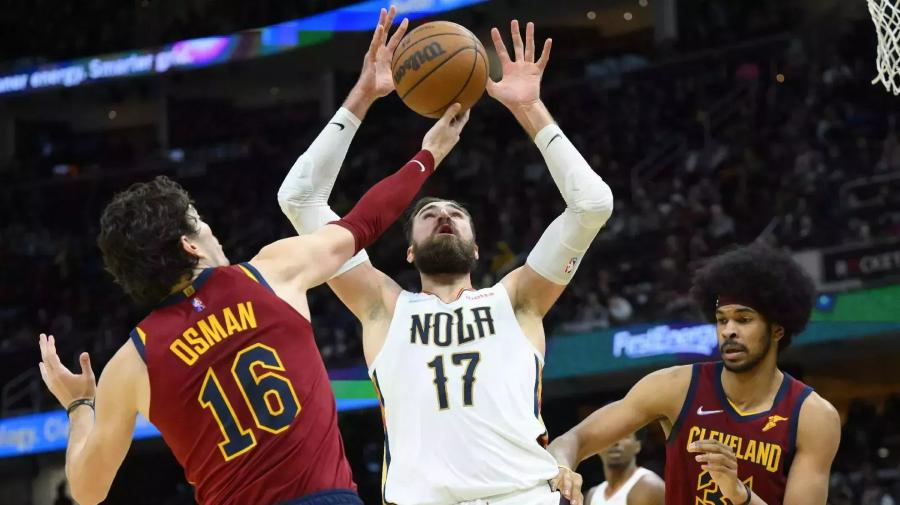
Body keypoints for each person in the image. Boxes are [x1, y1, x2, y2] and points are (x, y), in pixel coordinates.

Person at [36, 101, 469, 505]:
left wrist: (79, 406)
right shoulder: (269, 274)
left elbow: (87, 491)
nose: (212, 232)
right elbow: (365, 220)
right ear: (190, 246)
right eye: (200, 224)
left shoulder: (131, 364)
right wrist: (429, 153)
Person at [278, 10, 613, 505]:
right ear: (409, 251)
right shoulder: (383, 308)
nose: (443, 215)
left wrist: (530, 109)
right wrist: (363, 95)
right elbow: (299, 198)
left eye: (455, 213)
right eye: (429, 213)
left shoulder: (517, 300)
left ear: (476, 249)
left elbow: (592, 205)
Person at [549, 243, 842, 505]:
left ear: (777, 330)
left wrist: (740, 495)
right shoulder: (675, 387)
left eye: (743, 319)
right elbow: (573, 440)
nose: (728, 331)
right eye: (722, 320)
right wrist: (562, 467)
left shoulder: (812, 416)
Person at [583, 432, 664, 505]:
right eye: (608, 437)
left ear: (637, 446)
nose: (615, 442)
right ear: (597, 449)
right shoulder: (591, 496)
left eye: (624, 436)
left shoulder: (650, 487)